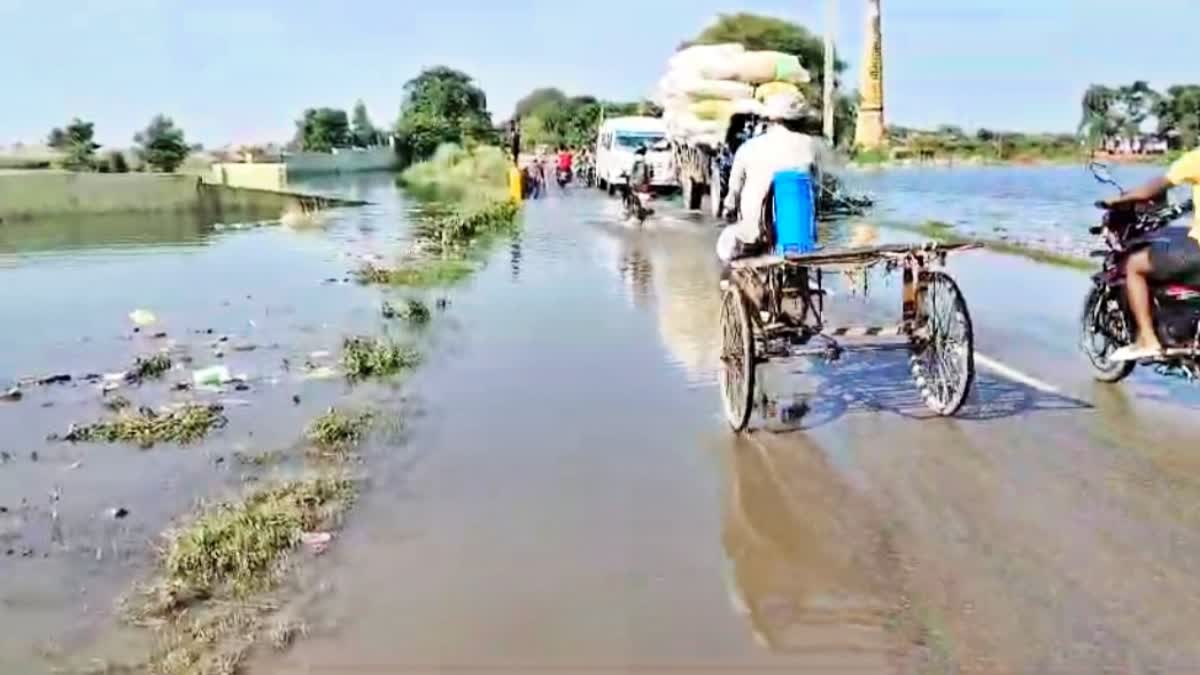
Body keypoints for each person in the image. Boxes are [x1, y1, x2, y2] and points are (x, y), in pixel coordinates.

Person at [1103, 147, 1200, 361]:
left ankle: (1147, 340)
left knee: (1134, 265)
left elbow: (1151, 189)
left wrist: (1118, 200)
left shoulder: (1196, 158)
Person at [717, 93, 832, 263]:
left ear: (769, 119)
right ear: (800, 120)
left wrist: (728, 209)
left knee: (725, 247)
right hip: (798, 236)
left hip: (754, 236)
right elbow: (818, 192)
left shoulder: (748, 147)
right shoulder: (810, 146)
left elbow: (732, 194)